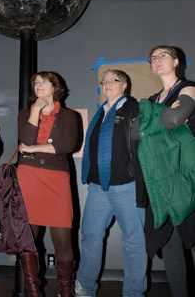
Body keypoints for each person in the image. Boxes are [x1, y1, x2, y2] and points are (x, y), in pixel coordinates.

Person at [75, 69, 147, 297]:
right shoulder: (101, 112)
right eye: (104, 81)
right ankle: (85, 288)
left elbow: (144, 146)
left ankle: (133, 292)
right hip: (98, 188)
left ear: (124, 85)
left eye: (113, 80)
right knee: (90, 237)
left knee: (134, 243)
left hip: (126, 187)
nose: (107, 84)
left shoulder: (135, 109)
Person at [137, 45, 195, 297]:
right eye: (153, 58)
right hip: (161, 178)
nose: (156, 60)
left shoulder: (188, 88)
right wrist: (164, 115)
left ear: (176, 61)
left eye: (162, 56)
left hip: (187, 173)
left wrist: (152, 121)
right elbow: (133, 132)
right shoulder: (150, 100)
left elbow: (175, 118)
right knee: (170, 244)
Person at [17, 71, 78, 297]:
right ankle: (34, 291)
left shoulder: (69, 116)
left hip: (56, 178)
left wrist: (32, 150)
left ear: (56, 87)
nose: (39, 85)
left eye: (44, 82)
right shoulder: (26, 113)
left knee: (63, 238)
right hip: (28, 178)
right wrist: (35, 111)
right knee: (28, 239)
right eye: (35, 82)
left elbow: (66, 145)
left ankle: (66, 291)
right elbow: (27, 137)